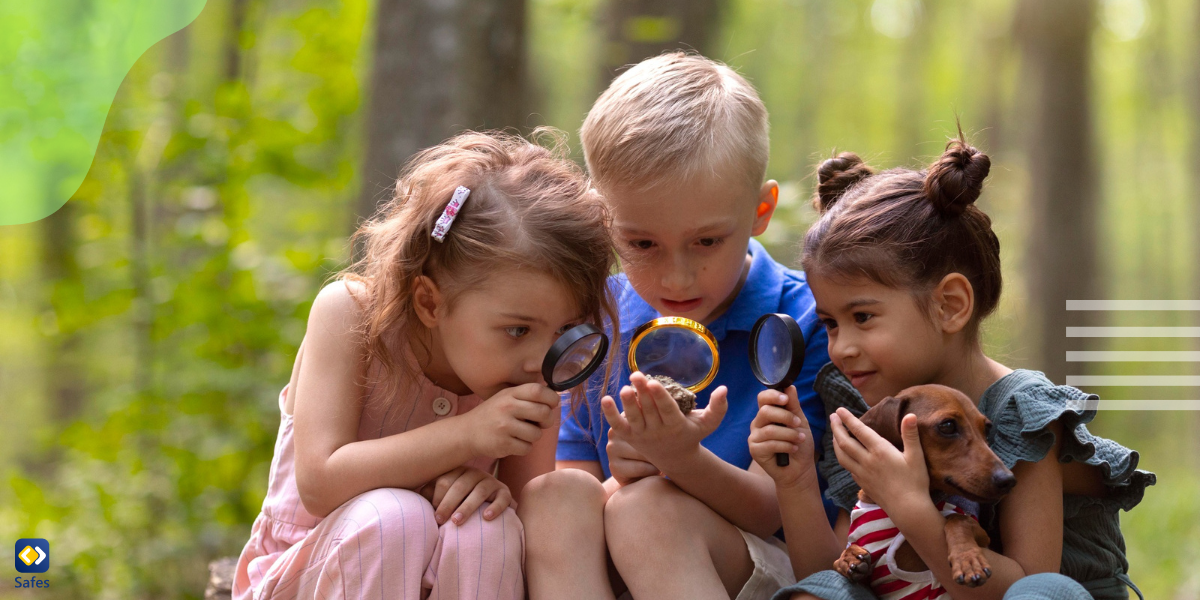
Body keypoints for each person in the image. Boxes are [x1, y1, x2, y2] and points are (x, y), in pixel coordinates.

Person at [751, 134, 1155, 600]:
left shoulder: (1020, 412)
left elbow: (1024, 586)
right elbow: (839, 574)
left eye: (862, 317)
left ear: (950, 305)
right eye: (830, 324)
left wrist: (909, 505)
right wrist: (796, 480)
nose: (841, 347)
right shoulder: (874, 412)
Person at [231, 130, 620, 600]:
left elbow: (527, 511)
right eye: (517, 330)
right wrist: (467, 434)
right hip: (305, 572)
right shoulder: (351, 317)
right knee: (395, 518)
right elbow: (319, 482)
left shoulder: (532, 379)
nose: (541, 359)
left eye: (565, 331)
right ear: (430, 302)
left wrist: (495, 494)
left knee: (486, 526)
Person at [519, 52, 835, 600]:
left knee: (649, 513)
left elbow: (774, 509)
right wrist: (625, 472)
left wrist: (680, 461)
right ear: (603, 222)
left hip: (767, 570)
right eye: (641, 244)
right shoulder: (597, 326)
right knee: (552, 496)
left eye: (707, 241)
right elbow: (581, 493)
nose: (677, 275)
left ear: (761, 211)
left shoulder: (807, 320)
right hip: (623, 561)